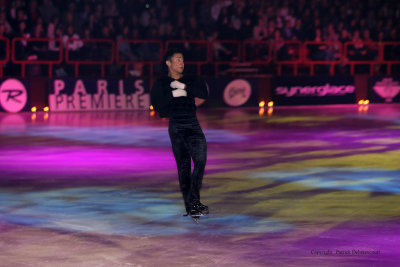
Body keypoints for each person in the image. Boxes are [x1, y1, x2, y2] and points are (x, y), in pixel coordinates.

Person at [150, 49, 209, 218]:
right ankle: (191, 206)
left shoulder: (191, 78)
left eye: (182, 60)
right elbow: (159, 106)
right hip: (176, 125)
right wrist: (173, 94)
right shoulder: (161, 82)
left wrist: (184, 87)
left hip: (193, 124)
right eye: (177, 60)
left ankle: (194, 201)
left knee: (200, 160)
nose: (181, 63)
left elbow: (204, 93)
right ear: (168, 63)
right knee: (183, 167)